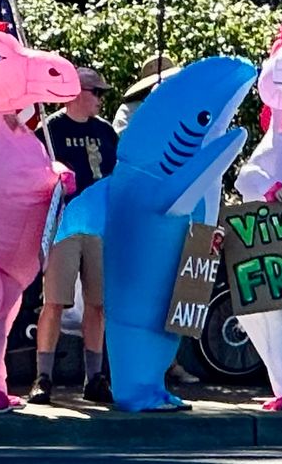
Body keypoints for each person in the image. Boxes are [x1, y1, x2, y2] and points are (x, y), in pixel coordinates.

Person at [28, 67, 118, 405]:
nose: (100, 99)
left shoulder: (107, 133)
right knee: (53, 301)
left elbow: (117, 176)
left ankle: (94, 377)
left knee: (97, 304)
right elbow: (32, 175)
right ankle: (43, 377)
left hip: (99, 227)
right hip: (64, 226)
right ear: (77, 92)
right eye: (97, 92)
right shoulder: (50, 132)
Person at [112, 54, 198, 385]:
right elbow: (128, 152)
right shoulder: (130, 113)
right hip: (141, 214)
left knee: (172, 289)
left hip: (178, 210)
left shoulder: (185, 110)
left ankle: (169, 362)